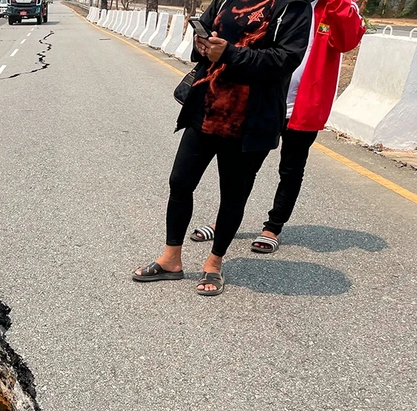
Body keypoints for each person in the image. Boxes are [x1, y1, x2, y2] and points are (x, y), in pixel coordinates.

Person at [132, 0, 312, 296]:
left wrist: (228, 53)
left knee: (232, 194)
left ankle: (214, 264)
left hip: (249, 119)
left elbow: (285, 59)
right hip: (206, 107)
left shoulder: (293, 7)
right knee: (180, 183)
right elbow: (204, 32)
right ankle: (171, 259)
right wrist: (201, 44)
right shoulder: (225, 0)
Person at [190, 0, 365, 254]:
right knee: (244, 167)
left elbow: (348, 41)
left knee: (291, 168)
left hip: (303, 104)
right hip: (262, 101)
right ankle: (223, 222)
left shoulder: (336, 7)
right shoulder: (280, 3)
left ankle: (273, 227)